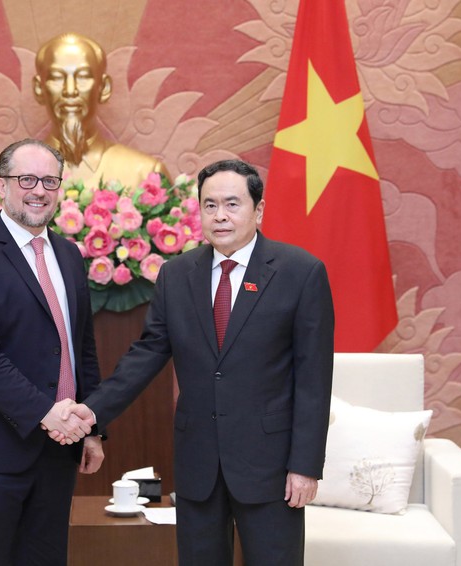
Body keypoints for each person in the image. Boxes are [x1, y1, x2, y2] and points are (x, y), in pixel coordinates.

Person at [56, 159, 335, 565]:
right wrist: (92, 412)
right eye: (209, 205)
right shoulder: (177, 274)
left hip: (270, 466)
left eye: (232, 204)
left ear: (258, 210)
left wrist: (305, 467)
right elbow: (148, 353)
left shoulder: (300, 272)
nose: (220, 215)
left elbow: (314, 380)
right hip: (198, 462)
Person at [0, 138, 104, 565]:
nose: (39, 190)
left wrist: (93, 428)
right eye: (26, 178)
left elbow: (80, 346)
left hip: (57, 452)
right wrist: (47, 414)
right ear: (1, 185)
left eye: (50, 180)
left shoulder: (69, 255)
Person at [0, 33, 169, 190]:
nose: (70, 91)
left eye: (83, 77)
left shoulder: (146, 175)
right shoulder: (1, 177)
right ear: (39, 88)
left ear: (103, 87)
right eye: (56, 77)